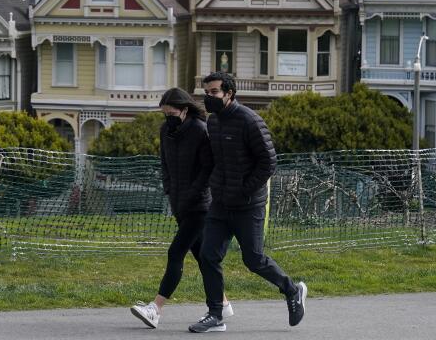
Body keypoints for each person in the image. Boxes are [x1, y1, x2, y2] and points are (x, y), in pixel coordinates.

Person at [188, 72, 306, 334]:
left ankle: (292, 289)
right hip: (220, 203)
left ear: (229, 93)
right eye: (206, 93)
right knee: (208, 255)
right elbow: (217, 160)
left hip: (248, 204)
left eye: (214, 92)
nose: (209, 97)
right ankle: (215, 314)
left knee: (253, 260)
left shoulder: (250, 120)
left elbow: (268, 163)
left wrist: (243, 190)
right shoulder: (214, 122)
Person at [130, 88, 233, 329]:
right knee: (202, 258)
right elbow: (164, 163)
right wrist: (170, 190)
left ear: (184, 110)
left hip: (199, 206)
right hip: (179, 204)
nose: (168, 117)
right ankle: (223, 305)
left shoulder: (200, 130)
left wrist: (191, 194)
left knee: (175, 252)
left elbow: (208, 169)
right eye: (165, 113)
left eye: (172, 113)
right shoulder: (165, 130)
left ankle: (155, 308)